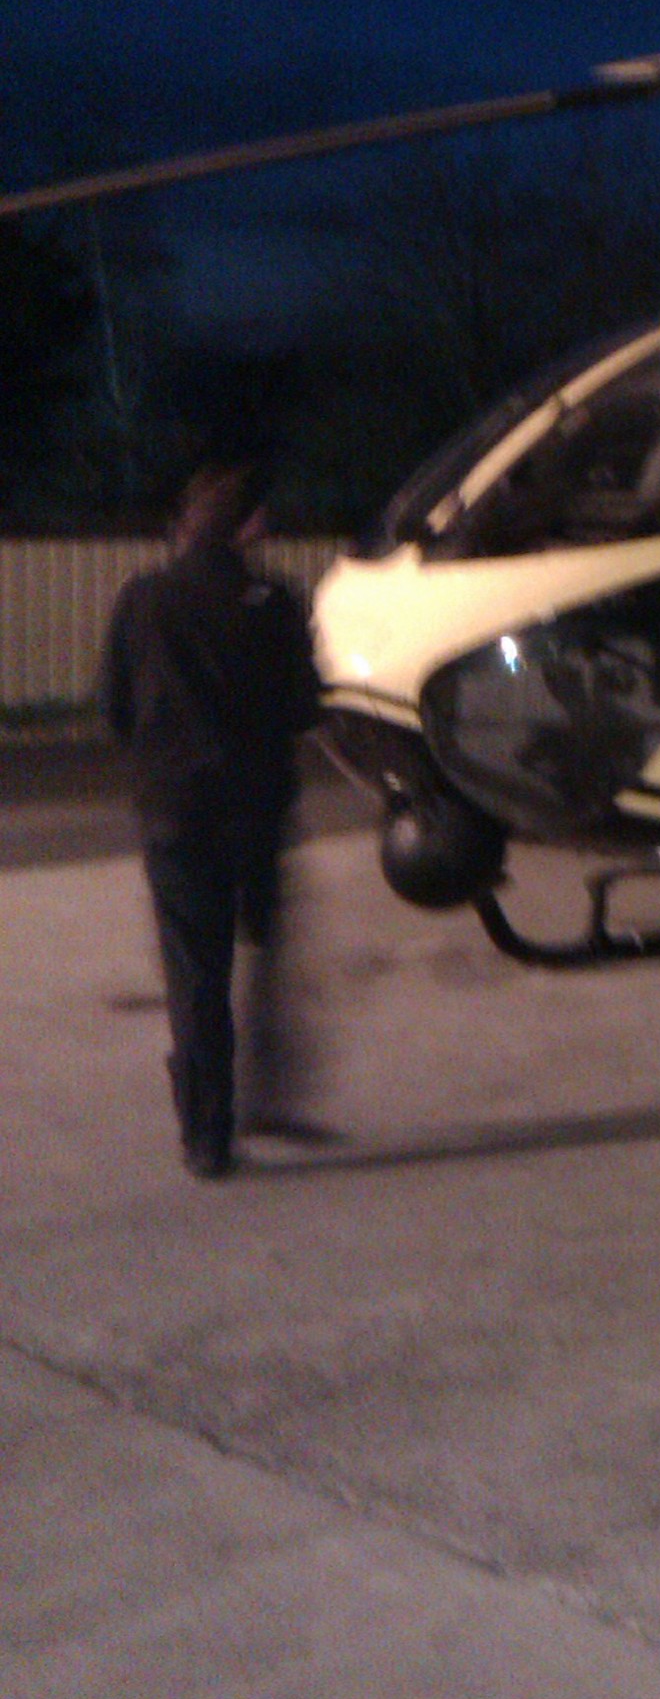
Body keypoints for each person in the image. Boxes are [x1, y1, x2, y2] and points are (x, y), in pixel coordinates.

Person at [103, 458, 323, 1178]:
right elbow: (305, 708)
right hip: (257, 811)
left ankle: (207, 1134)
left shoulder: (144, 599)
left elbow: (114, 706)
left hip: (177, 813)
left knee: (196, 973)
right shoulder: (277, 601)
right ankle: (269, 1089)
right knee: (263, 944)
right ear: (249, 527)